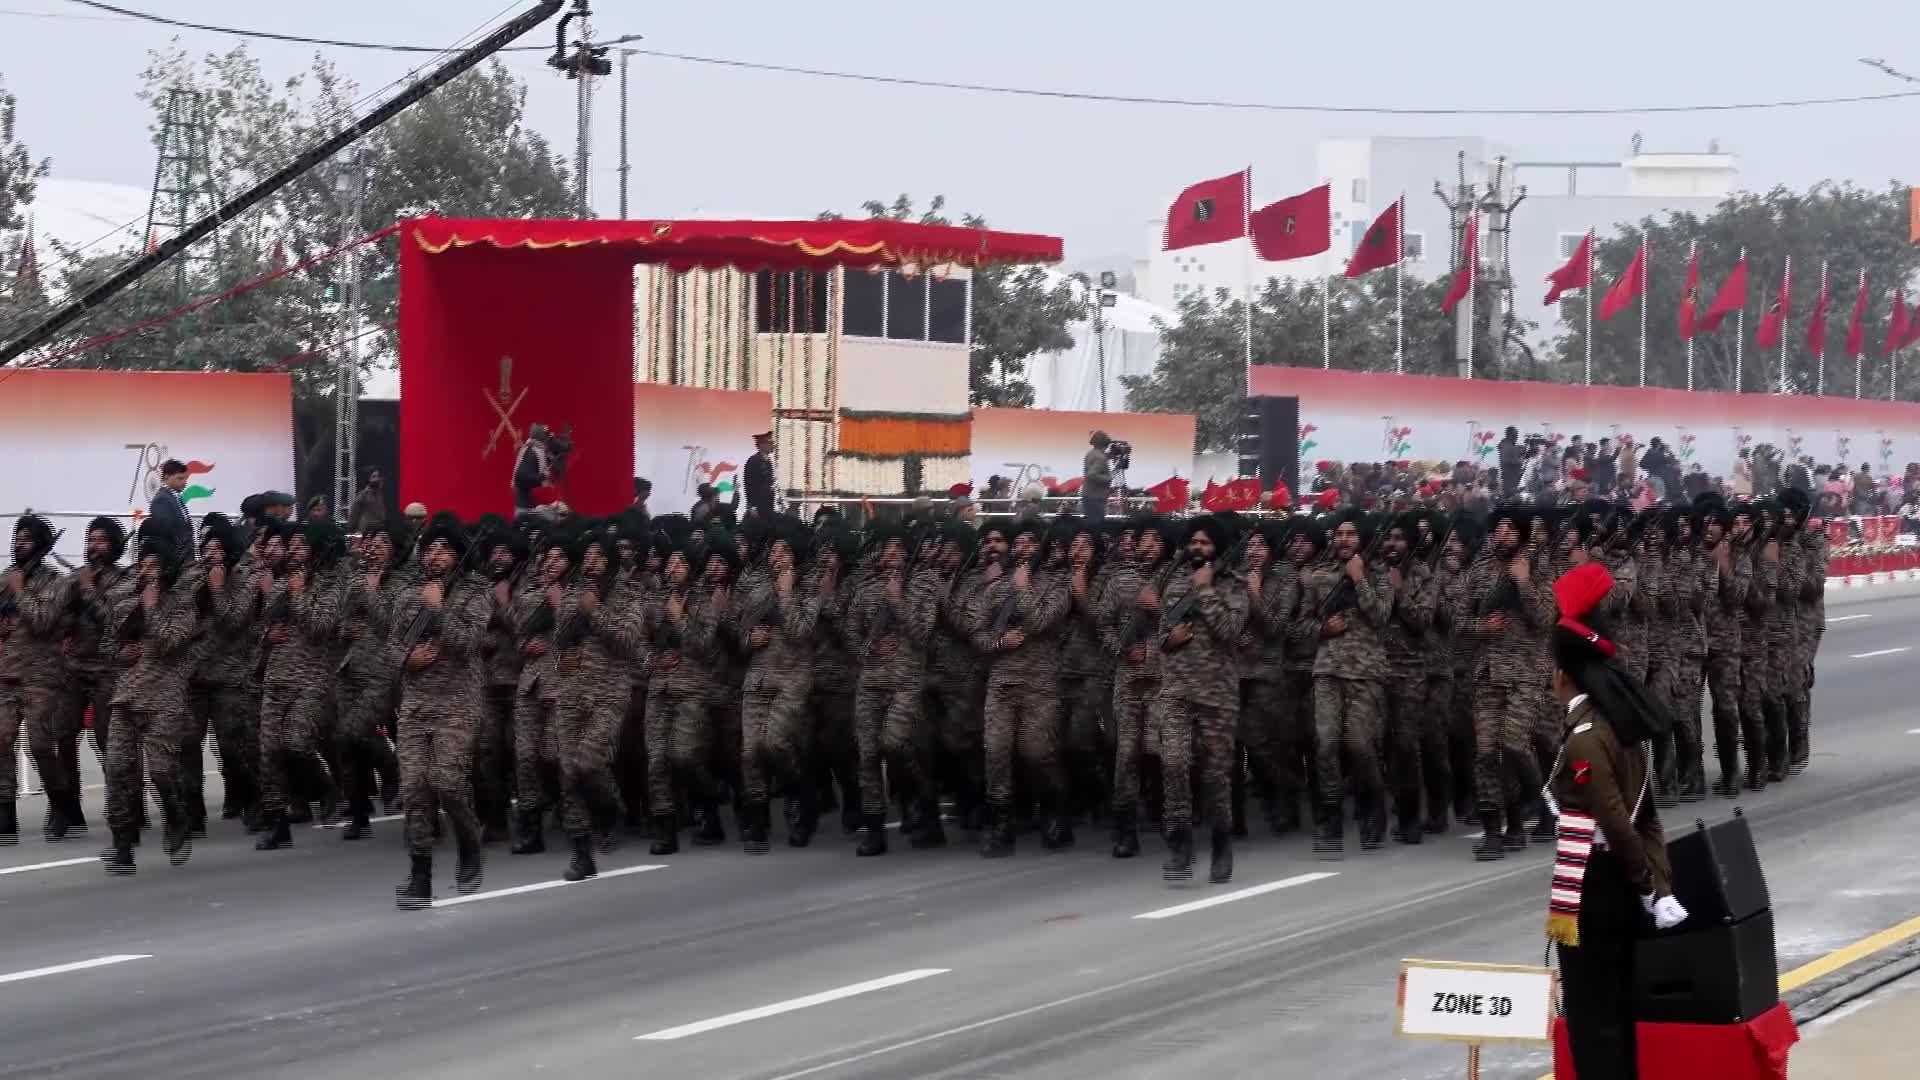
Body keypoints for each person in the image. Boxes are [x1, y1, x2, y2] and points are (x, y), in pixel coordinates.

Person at [1544, 560, 1686, 1080]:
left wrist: (1645, 882)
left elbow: (1617, 821)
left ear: (1563, 673)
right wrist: (1657, 886)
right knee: (1617, 1012)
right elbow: (1647, 819)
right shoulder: (1616, 728)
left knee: (1591, 1017)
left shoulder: (1585, 737)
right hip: (1621, 889)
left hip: (1596, 888)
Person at [148, 459, 195, 550]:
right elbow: (165, 532)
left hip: (185, 553)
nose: (184, 482)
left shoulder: (176, 497)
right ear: (166, 477)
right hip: (175, 555)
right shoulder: (161, 500)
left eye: (186, 478)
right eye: (180, 478)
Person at [743, 432, 777, 519]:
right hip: (758, 504)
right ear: (762, 444)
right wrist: (752, 506)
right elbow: (749, 484)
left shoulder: (767, 461)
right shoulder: (754, 460)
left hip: (767, 503)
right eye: (770, 443)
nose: (773, 445)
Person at [1082, 431, 1114, 522]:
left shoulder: (1091, 453)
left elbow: (1099, 460)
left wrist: (1109, 456)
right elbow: (1092, 474)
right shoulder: (1101, 457)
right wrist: (1108, 478)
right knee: (1097, 525)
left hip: (1089, 495)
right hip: (1096, 497)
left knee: (1090, 524)